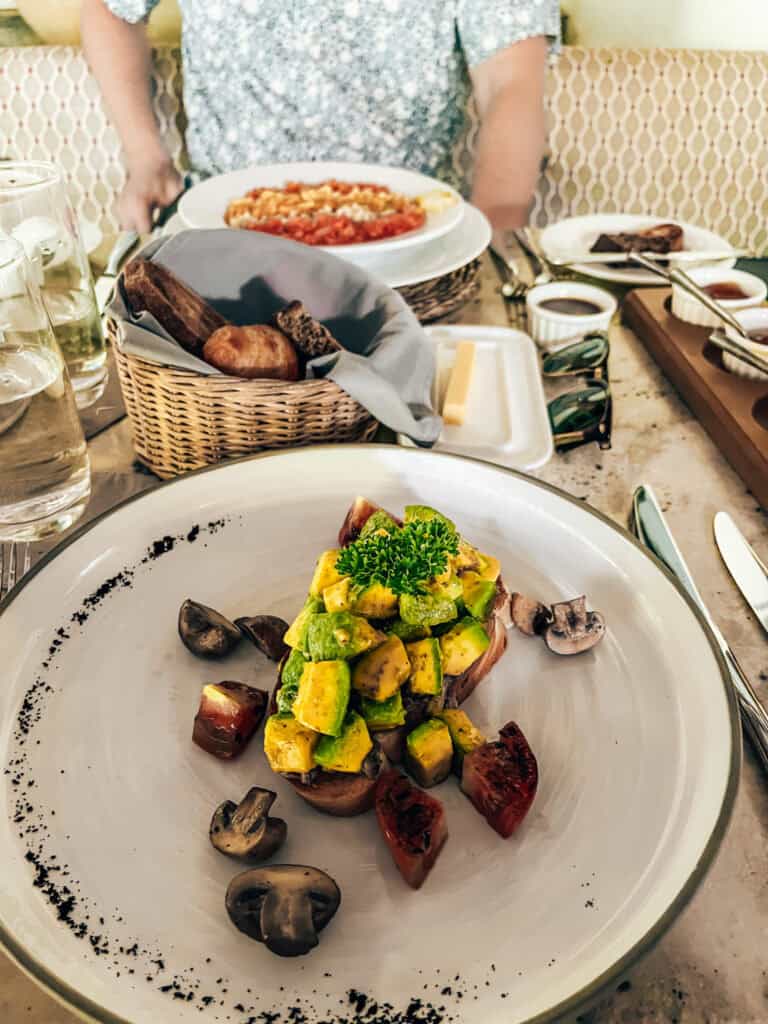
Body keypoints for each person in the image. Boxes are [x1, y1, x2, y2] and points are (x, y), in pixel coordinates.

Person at [82, 0, 560, 234]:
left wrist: (489, 233)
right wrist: (146, 157)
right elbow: (109, 9)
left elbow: (512, 83)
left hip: (408, 231)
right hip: (226, 228)